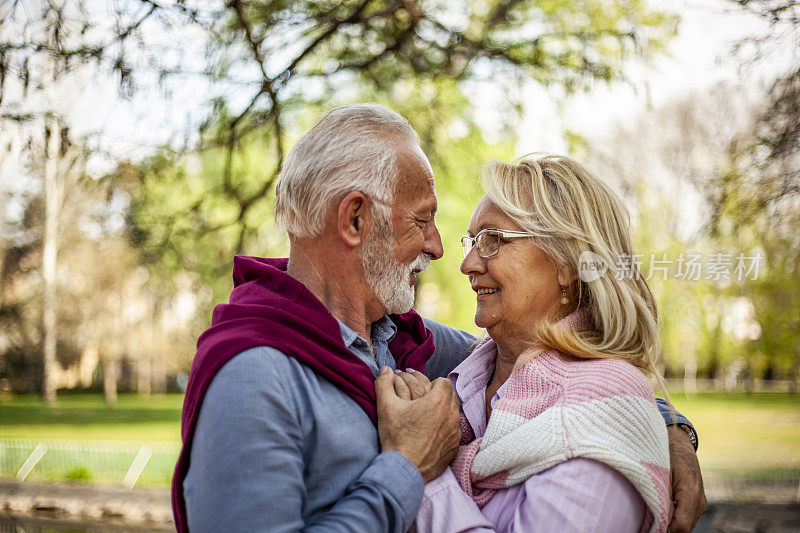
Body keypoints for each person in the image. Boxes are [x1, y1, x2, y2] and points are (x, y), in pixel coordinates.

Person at [171, 104, 706, 532]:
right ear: (355, 218)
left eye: (489, 240)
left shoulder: (414, 348)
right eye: (423, 220)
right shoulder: (255, 378)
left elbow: (580, 375)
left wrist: (668, 432)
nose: (441, 248)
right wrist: (405, 469)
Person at [399, 155, 702, 532]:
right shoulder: (464, 370)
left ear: (568, 264)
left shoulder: (605, 412)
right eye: (472, 242)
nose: (468, 264)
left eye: (492, 240)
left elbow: (609, 404)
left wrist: (419, 470)